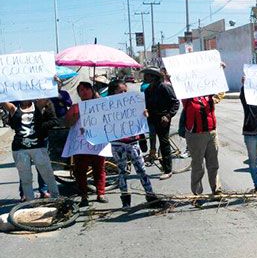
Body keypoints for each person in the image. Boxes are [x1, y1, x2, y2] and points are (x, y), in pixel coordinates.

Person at [107, 80, 156, 208]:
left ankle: (150, 195)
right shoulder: (106, 106)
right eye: (120, 91)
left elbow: (141, 118)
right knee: (122, 172)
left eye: (125, 91)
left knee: (141, 169)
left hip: (133, 142)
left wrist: (144, 114)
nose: (124, 93)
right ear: (113, 92)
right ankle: (125, 200)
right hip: (117, 143)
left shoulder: (133, 103)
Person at [2, 99, 60, 201]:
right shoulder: (13, 108)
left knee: (47, 174)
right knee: (25, 178)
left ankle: (56, 198)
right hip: (20, 148)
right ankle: (30, 202)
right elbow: (2, 99)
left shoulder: (38, 105)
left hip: (38, 146)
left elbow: (46, 97)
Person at [64, 81, 108, 206]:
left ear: (92, 90)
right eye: (81, 90)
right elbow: (67, 123)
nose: (84, 92)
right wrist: (76, 116)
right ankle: (84, 196)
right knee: (80, 171)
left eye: (86, 89)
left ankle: (101, 193)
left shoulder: (100, 104)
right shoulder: (75, 107)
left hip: (97, 143)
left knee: (99, 169)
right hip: (81, 145)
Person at [142, 66, 179, 180]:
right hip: (152, 118)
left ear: (154, 77)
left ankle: (168, 170)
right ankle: (154, 155)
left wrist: (168, 116)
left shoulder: (164, 87)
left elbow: (175, 102)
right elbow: (146, 104)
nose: (145, 76)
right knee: (151, 139)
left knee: (164, 143)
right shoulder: (148, 89)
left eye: (147, 74)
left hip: (162, 119)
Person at [181, 94, 222, 198]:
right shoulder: (187, 97)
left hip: (211, 132)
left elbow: (221, 92)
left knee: (213, 164)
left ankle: (217, 190)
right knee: (198, 165)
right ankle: (197, 193)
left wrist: (216, 96)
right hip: (196, 135)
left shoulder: (209, 94)